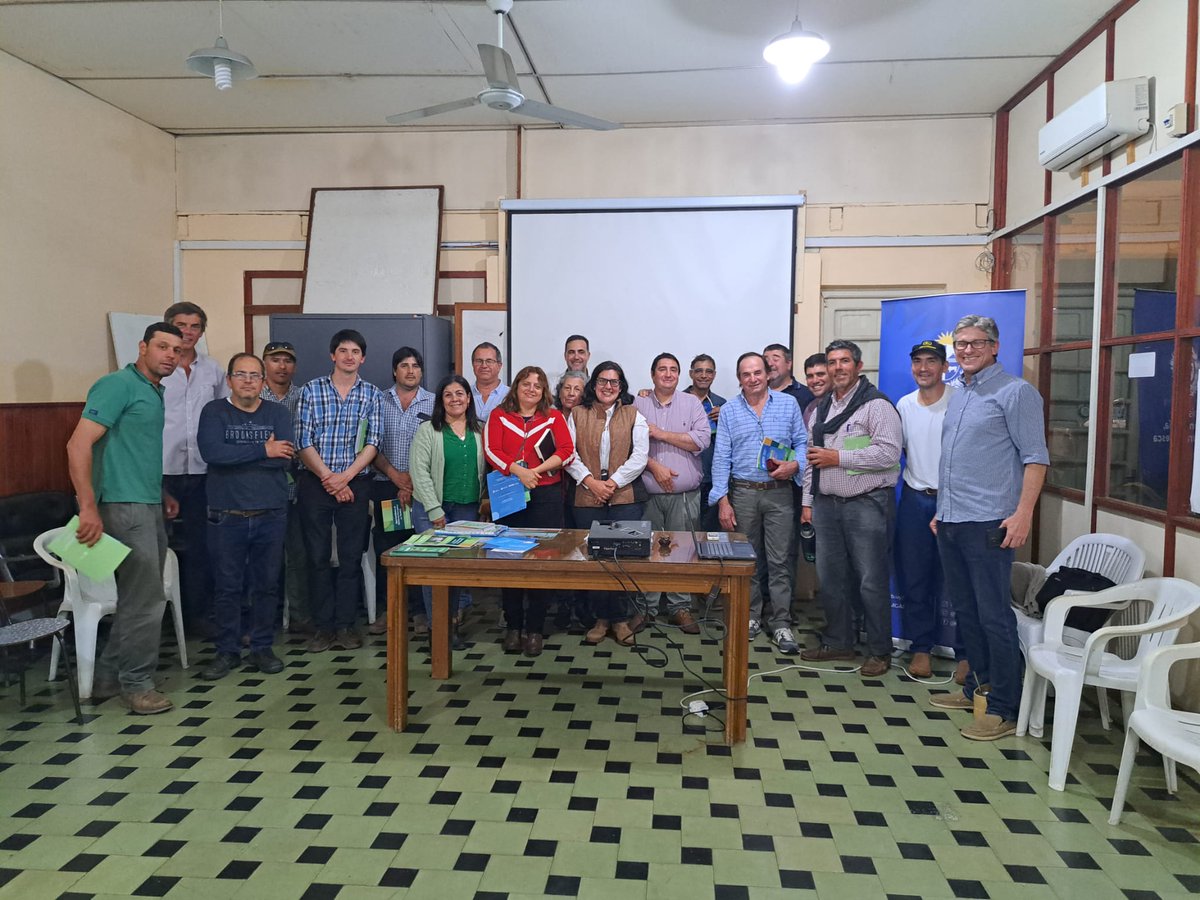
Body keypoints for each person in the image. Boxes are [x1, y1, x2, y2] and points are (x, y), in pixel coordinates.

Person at [932, 315, 1049, 742]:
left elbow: (1036, 458)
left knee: (994, 616)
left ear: (995, 346)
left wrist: (1023, 514)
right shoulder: (960, 393)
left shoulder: (1017, 393)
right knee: (966, 611)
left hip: (990, 522)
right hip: (951, 519)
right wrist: (941, 508)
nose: (966, 350)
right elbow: (957, 458)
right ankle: (976, 688)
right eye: (960, 344)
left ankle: (1005, 707)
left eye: (975, 343)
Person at [65, 322, 183, 714]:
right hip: (122, 505)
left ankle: (106, 678)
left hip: (147, 502)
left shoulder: (153, 390)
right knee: (146, 600)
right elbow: (78, 444)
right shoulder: (117, 385)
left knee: (141, 596)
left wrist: (161, 493)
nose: (169, 355)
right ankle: (137, 686)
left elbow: (134, 450)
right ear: (142, 347)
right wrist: (88, 506)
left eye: (175, 350)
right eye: (162, 346)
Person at [800, 339, 902, 677]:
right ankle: (840, 641)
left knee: (871, 581)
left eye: (844, 361)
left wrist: (838, 457)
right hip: (827, 505)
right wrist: (807, 502)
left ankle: (878, 651)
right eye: (832, 362)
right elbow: (810, 461)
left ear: (858, 366)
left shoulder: (876, 406)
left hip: (867, 504)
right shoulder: (819, 409)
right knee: (831, 579)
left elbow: (889, 454)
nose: (837, 368)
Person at [197, 353, 295, 680]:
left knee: (267, 585)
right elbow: (213, 454)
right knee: (227, 586)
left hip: (271, 513)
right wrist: (261, 451)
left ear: (264, 381)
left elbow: (283, 458)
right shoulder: (214, 412)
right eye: (241, 374)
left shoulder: (277, 413)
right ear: (229, 380)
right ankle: (227, 652)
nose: (249, 381)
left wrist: (240, 457)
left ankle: (262, 647)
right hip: (227, 515)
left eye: (255, 375)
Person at [709, 352, 807, 655]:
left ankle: (780, 622)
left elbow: (802, 443)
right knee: (746, 561)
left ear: (768, 374)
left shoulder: (788, 404)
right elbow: (721, 455)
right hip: (743, 493)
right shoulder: (729, 411)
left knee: (780, 560)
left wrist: (795, 465)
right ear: (739, 379)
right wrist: (722, 500)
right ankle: (750, 616)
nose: (752, 379)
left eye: (757, 373)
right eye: (745, 374)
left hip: (779, 492)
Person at [295, 329, 382, 653]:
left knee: (349, 558)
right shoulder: (311, 391)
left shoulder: (371, 394)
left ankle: (345, 626)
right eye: (343, 351)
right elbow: (303, 440)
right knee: (316, 558)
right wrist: (329, 478)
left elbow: (373, 442)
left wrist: (345, 477)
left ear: (363, 358)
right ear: (333, 355)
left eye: (355, 351)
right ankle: (323, 627)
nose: (349, 356)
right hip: (315, 482)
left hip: (355, 482)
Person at [484, 365, 574, 657]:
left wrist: (534, 471)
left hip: (546, 495)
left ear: (544, 390)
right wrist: (518, 472)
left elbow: (566, 451)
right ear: (517, 386)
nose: (532, 389)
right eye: (526, 383)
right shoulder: (499, 416)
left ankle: (535, 629)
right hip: (509, 493)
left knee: (542, 561)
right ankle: (513, 627)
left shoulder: (553, 417)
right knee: (508, 560)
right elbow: (491, 450)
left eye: (538, 385)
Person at [895, 340, 969, 682]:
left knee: (960, 582)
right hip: (914, 499)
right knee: (915, 579)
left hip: (955, 502)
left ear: (944, 366)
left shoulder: (961, 401)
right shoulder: (904, 405)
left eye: (931, 361)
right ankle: (921, 648)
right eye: (918, 362)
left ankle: (968, 654)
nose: (923, 368)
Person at [566, 362, 649, 646]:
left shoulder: (634, 414)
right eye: (603, 381)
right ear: (594, 384)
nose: (608, 387)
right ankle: (601, 619)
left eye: (614, 382)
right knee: (596, 560)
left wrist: (611, 483)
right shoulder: (577, 414)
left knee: (623, 558)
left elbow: (639, 456)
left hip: (624, 496)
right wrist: (591, 482)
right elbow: (569, 454)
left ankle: (621, 619)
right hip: (587, 495)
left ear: (622, 386)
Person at [160, 301, 229, 639]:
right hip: (161, 472)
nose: (188, 332)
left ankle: (198, 616)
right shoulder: (156, 369)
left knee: (203, 547)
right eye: (181, 325)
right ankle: (156, 619)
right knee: (156, 548)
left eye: (195, 327)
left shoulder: (213, 370)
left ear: (202, 332)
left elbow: (223, 413)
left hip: (203, 470)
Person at [631, 353, 709, 634]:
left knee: (683, 552)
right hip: (647, 493)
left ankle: (680, 608)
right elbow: (627, 445)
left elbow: (702, 440)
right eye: (661, 369)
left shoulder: (692, 404)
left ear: (679, 375)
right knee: (647, 552)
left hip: (685, 495)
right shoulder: (636, 404)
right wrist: (655, 467)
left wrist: (662, 434)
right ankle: (647, 608)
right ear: (652, 375)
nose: (667, 374)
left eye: (673, 369)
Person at [410, 374, 486, 650]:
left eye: (460, 394)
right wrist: (434, 509)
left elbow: (487, 469)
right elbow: (419, 473)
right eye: (448, 395)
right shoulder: (428, 430)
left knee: (456, 571)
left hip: (467, 510)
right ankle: (437, 630)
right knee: (434, 573)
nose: (455, 399)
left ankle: (452, 625)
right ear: (441, 401)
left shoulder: (480, 429)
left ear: (468, 398)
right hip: (433, 511)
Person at [369, 347, 435, 635]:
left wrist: (413, 483)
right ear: (394, 370)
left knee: (422, 552)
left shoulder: (434, 403)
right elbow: (369, 444)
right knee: (389, 552)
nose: (410, 371)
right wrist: (396, 476)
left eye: (415, 366)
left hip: (423, 491)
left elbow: (437, 448)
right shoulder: (377, 401)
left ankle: (421, 611)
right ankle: (390, 609)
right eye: (404, 365)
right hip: (384, 486)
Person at [260, 340, 312, 633]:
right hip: (260, 487)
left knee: (297, 554)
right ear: (264, 363)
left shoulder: (303, 396)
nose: (282, 366)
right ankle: (263, 619)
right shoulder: (254, 395)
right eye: (275, 360)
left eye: (288, 360)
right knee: (262, 557)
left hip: (296, 485)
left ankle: (300, 617)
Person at [552, 370, 589, 632]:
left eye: (577, 389)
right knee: (558, 549)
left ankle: (582, 608)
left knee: (581, 549)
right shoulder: (547, 415)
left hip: (582, 492)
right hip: (552, 493)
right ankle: (562, 606)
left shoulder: (589, 415)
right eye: (567, 388)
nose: (571, 393)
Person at [684, 354, 725, 532]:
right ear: (691, 374)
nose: (703, 375)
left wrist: (725, 418)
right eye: (699, 371)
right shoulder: (677, 399)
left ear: (714, 375)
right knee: (684, 534)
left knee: (710, 533)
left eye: (708, 371)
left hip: (711, 480)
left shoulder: (722, 405)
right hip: (684, 477)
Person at [764, 343, 816, 411]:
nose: (769, 364)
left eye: (775, 359)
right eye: (766, 360)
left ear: (788, 364)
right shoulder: (757, 394)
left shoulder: (807, 394)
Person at [470, 341, 509, 423]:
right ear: (473, 365)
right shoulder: (463, 395)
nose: (484, 365)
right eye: (479, 361)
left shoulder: (511, 395)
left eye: (489, 361)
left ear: (499, 366)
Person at [801, 353, 829, 428]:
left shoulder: (849, 404)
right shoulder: (810, 408)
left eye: (820, 374)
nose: (815, 380)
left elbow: (862, 438)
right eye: (810, 376)